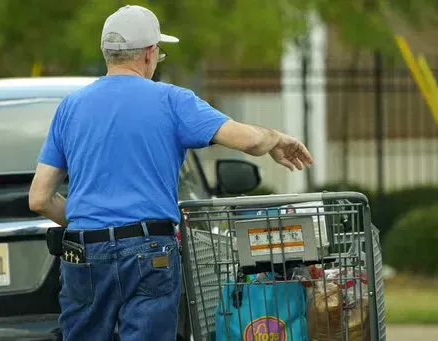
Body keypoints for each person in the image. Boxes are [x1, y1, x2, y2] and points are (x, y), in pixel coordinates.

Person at [28, 5, 313, 341]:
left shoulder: (70, 108)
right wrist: (277, 139)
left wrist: (90, 226)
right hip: (150, 252)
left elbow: (40, 199)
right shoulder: (172, 101)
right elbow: (249, 140)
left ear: (107, 53)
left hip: (84, 254)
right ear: (149, 54)